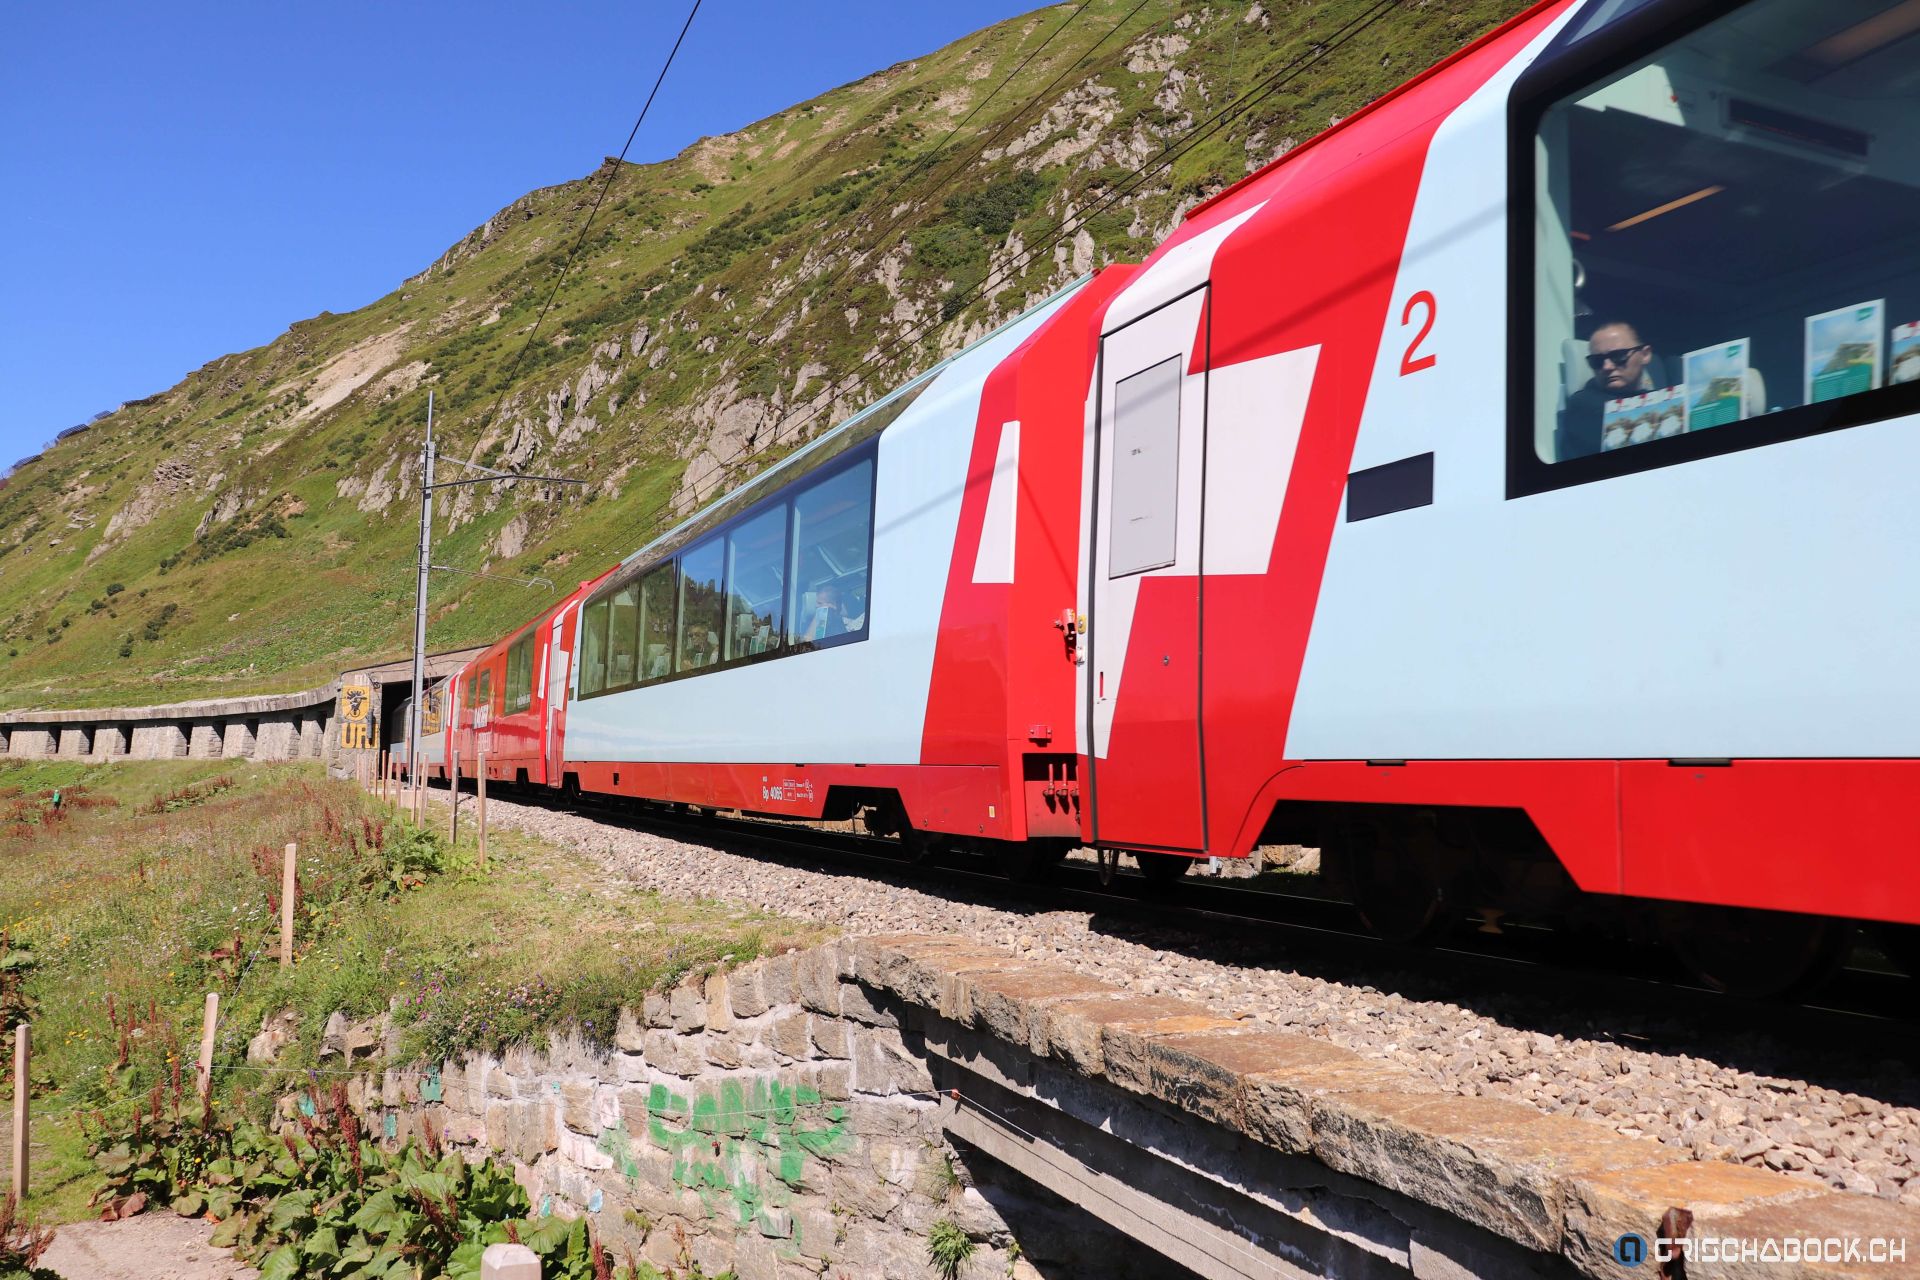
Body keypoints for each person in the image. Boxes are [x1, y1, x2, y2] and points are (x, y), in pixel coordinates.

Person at [1558, 320, 1669, 460]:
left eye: (1618, 356)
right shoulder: (1584, 405)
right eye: (1597, 361)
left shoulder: (1658, 398)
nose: (1607, 367)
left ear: (1645, 355)